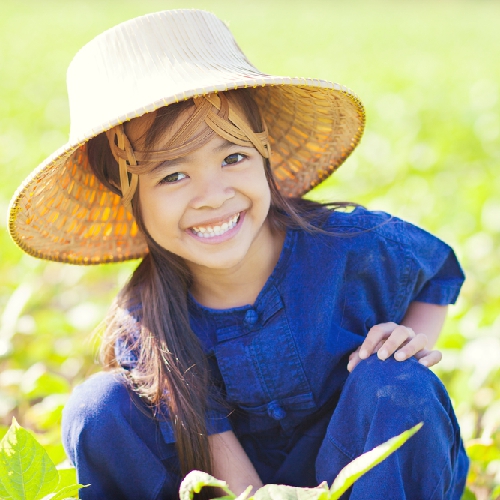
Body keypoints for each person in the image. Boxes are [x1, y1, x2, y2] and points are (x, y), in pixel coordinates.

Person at [9, 9, 469, 500]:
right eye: (173, 176)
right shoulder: (150, 327)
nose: (212, 195)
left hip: (364, 469)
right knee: (99, 408)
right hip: (228, 483)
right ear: (129, 195)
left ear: (265, 155)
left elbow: (436, 272)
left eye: (233, 157)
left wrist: (409, 341)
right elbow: (225, 468)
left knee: (397, 383)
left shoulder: (351, 246)